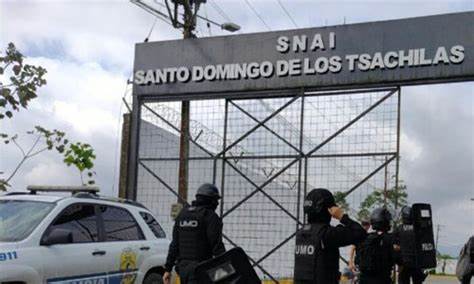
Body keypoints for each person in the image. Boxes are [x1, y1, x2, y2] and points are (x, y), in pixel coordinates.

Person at [293, 188, 367, 283]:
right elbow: (360, 233)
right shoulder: (327, 234)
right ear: (328, 209)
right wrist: (342, 216)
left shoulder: (301, 233)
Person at [163, 183, 226, 284]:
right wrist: (226, 268)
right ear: (210, 200)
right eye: (216, 200)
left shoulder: (182, 215)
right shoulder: (210, 216)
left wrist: (167, 269)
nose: (217, 204)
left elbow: (174, 245)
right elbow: (217, 245)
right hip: (201, 269)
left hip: (183, 270)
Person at [358, 208, 395, 284]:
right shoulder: (390, 238)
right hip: (382, 279)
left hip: (364, 279)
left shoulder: (365, 238)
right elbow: (396, 258)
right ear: (385, 222)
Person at [394, 206, 427, 284]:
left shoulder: (399, 229)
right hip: (417, 263)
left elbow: (393, 245)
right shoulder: (419, 229)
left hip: (403, 263)